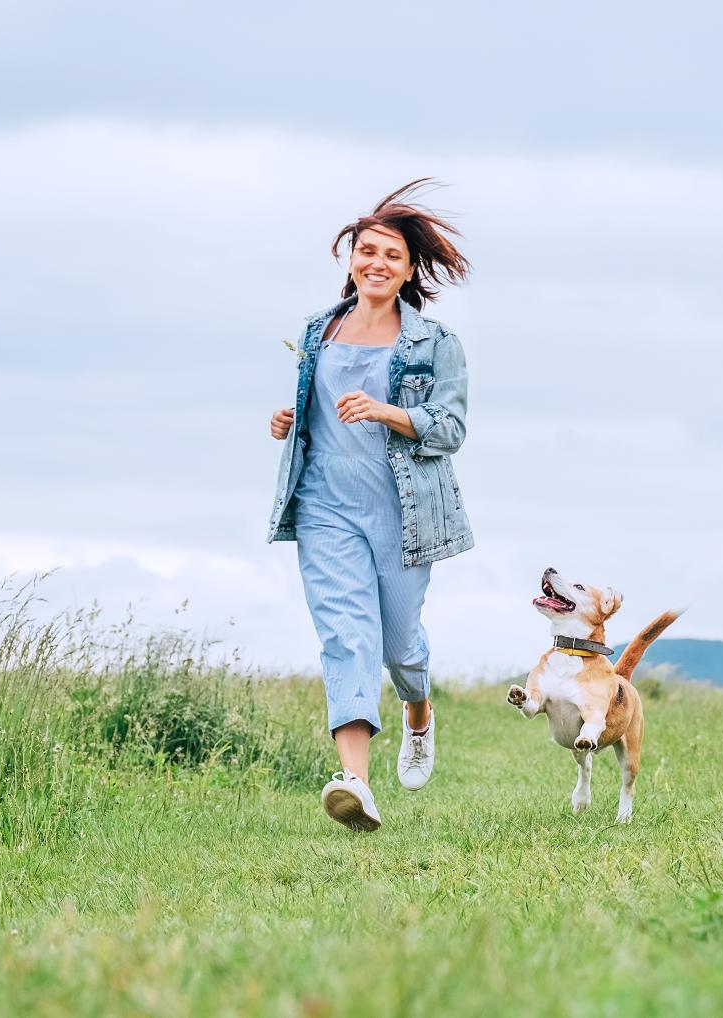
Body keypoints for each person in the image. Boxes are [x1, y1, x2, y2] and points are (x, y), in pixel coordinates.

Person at [266, 179, 473, 832]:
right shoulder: (318, 330)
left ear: (410, 270)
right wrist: (288, 420)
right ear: (350, 258)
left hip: (405, 515)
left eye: (391, 255)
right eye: (366, 251)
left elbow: (450, 428)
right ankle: (354, 781)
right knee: (346, 638)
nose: (376, 263)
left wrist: (389, 411)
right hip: (326, 509)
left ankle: (418, 711)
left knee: (401, 646)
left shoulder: (434, 343)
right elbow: (318, 411)